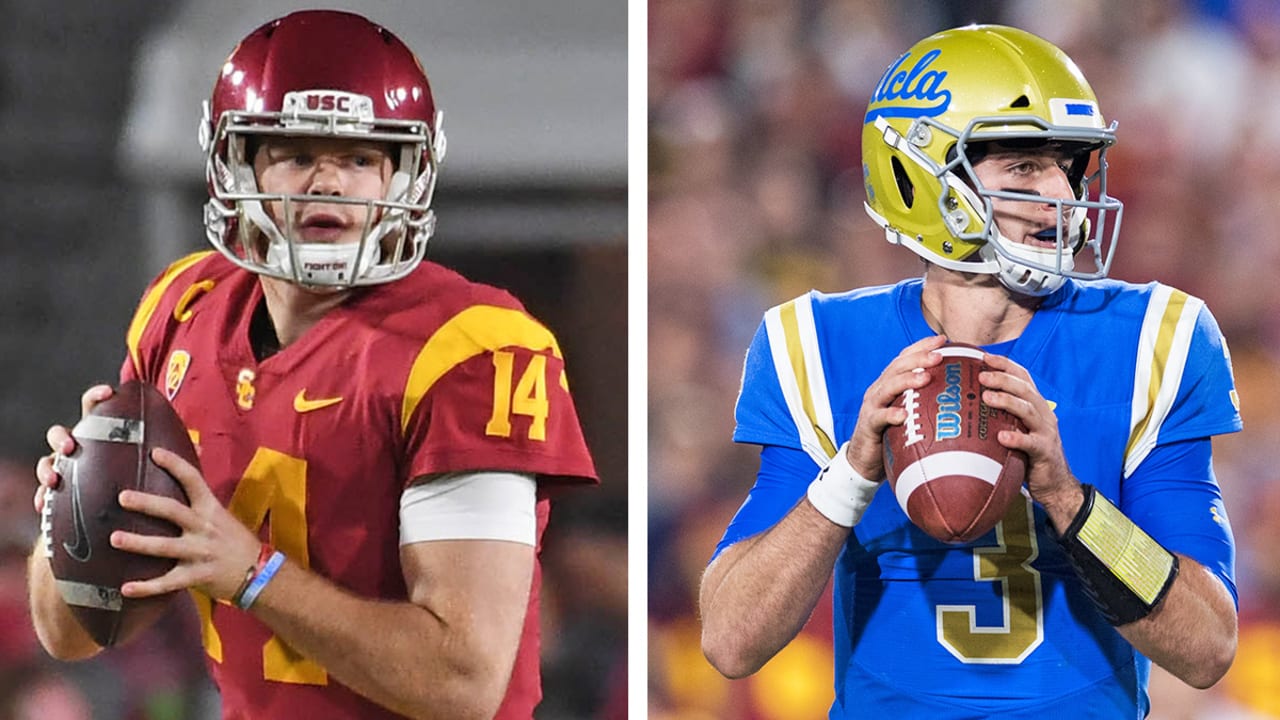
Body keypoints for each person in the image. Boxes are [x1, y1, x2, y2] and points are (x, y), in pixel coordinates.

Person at [27, 10, 596, 720]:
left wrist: (251, 574)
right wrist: (77, 505)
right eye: (296, 154)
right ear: (236, 164)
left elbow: (462, 682)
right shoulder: (183, 307)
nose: (328, 181)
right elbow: (71, 634)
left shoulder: (472, 347)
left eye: (359, 158)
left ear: (404, 176)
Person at [699, 24, 1242, 718]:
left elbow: (1208, 646)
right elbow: (730, 640)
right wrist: (852, 471)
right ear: (922, 178)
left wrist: (1070, 502)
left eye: (1066, 164)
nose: (1061, 192)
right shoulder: (814, 342)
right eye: (1023, 167)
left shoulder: (1156, 341)